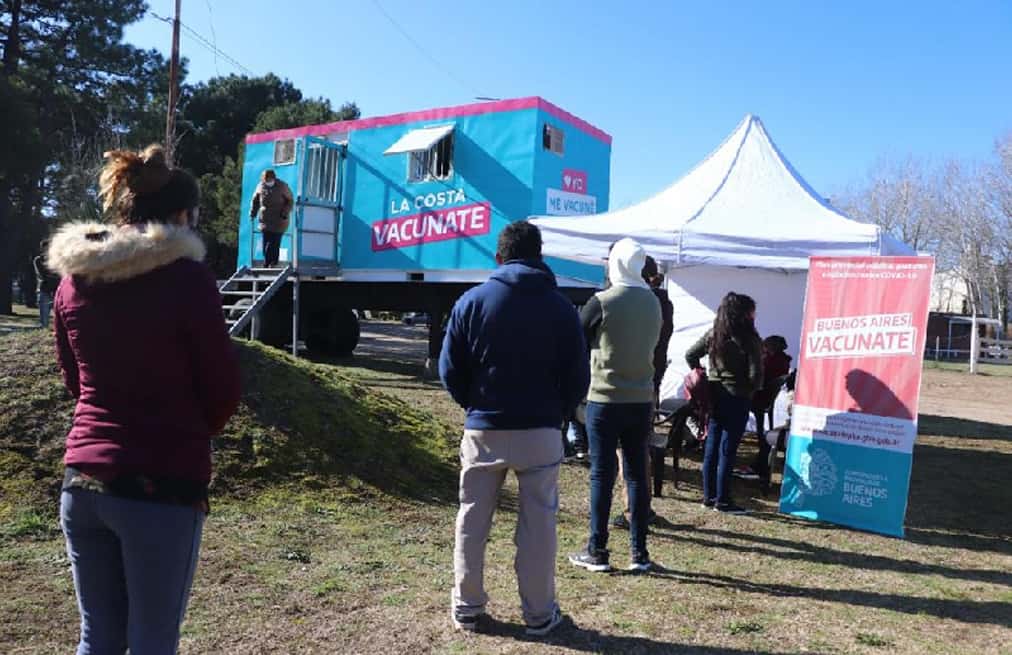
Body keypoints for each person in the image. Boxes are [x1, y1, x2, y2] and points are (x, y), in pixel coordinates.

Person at [47, 144, 241, 654]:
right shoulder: (188, 280)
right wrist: (189, 431)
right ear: (182, 216)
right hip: (162, 482)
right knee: (153, 640)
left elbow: (73, 379)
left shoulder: (73, 281)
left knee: (98, 636)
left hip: (83, 481)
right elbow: (221, 388)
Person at [439, 220, 589, 637]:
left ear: (499, 257)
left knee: (472, 520)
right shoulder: (561, 308)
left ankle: (467, 607)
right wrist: (556, 413)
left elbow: (449, 369)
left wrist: (474, 404)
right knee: (538, 525)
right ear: (540, 257)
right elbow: (579, 376)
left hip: (484, 426)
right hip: (540, 429)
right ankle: (539, 614)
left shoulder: (471, 301)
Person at [569, 238, 661, 573]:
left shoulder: (603, 301)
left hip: (605, 398)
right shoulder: (653, 302)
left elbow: (577, 339)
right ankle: (639, 553)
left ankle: (598, 550)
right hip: (641, 399)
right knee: (637, 476)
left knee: (602, 475)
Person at [685, 292, 762, 514]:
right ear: (745, 314)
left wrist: (703, 372)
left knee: (712, 445)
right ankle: (723, 500)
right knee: (728, 449)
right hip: (737, 396)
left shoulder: (715, 334)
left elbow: (691, 354)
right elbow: (756, 374)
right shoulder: (749, 338)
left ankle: (708, 497)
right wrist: (751, 390)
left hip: (715, 393)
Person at [611, 254, 673, 527]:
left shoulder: (635, 301)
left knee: (628, 451)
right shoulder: (661, 302)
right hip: (649, 381)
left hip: (626, 384)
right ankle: (640, 506)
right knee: (637, 448)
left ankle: (634, 508)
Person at [735, 335, 792, 481]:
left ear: (769, 348)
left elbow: (755, 377)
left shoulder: (769, 362)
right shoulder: (783, 361)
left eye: (764, 347)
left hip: (758, 399)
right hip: (764, 400)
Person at [249, 169, 293, 267]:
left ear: (273, 178)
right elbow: (255, 201)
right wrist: (252, 213)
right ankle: (268, 261)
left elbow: (290, 200)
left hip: (279, 219)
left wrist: (285, 212)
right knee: (266, 242)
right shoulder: (260, 186)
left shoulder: (282, 186)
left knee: (274, 242)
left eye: (269, 179)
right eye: (265, 180)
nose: (268, 181)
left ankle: (272, 262)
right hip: (265, 220)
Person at [34, 241, 60, 328]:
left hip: (57, 291)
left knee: (59, 317)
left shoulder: (58, 260)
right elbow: (43, 274)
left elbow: (61, 274)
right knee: (44, 320)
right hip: (44, 290)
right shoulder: (38, 260)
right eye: (45, 248)